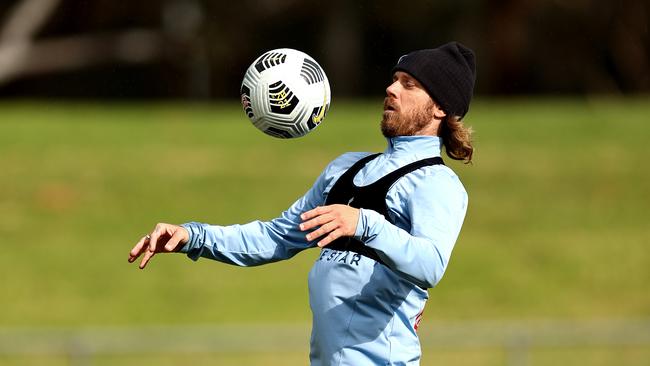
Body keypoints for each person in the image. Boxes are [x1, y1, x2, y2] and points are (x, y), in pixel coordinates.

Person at [128, 41, 476, 365]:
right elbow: (274, 238)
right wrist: (193, 236)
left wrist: (363, 224)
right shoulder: (345, 168)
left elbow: (431, 265)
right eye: (395, 79)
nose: (391, 89)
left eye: (409, 84)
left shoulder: (436, 183)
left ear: (441, 107)